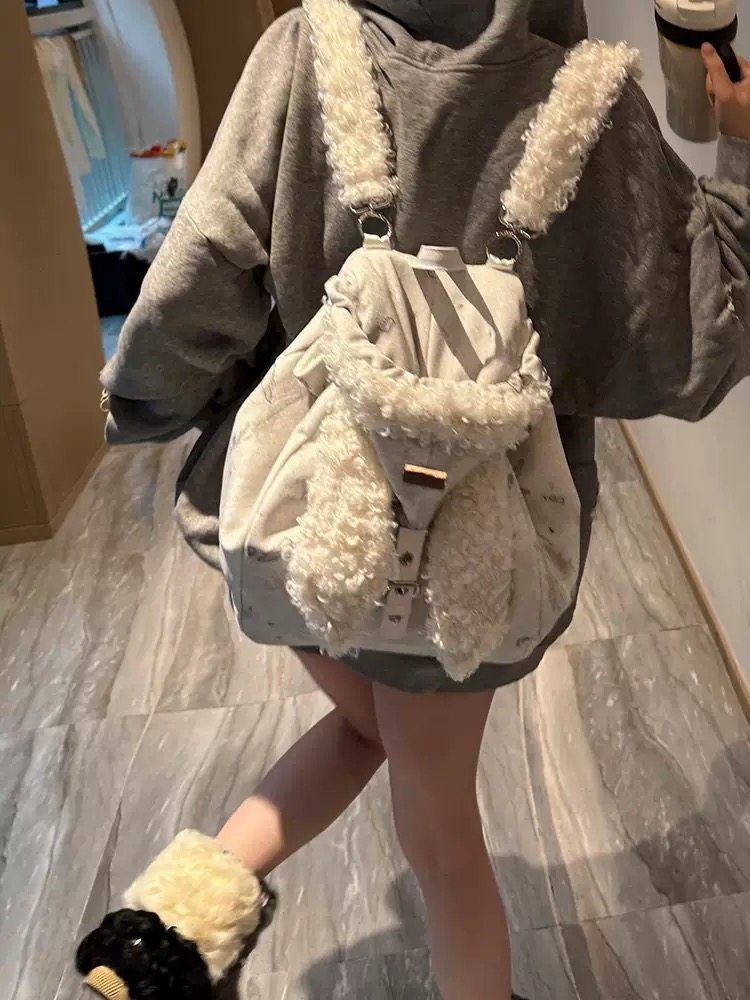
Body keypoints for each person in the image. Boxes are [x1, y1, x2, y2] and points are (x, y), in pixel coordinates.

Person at [80, 3, 750, 999]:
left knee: (372, 733)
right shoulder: (592, 103)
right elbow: (701, 337)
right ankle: (184, 941)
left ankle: (170, 934)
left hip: (306, 514)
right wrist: (738, 152)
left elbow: (202, 267)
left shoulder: (305, 51)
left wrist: (150, 405)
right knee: (440, 830)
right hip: (471, 554)